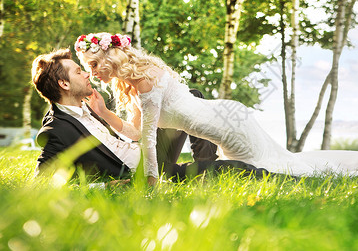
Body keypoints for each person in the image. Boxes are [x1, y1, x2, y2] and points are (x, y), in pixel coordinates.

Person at [75, 32, 358, 184]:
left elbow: (147, 139)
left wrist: (150, 181)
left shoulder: (145, 82)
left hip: (230, 124)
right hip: (226, 119)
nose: (91, 73)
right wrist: (105, 114)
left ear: (109, 57)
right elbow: (135, 131)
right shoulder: (135, 83)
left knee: (276, 170)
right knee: (277, 164)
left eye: (91, 64)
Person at [31, 48, 270, 185]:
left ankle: (205, 159)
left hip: (144, 151)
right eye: (79, 71)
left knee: (190, 97)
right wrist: (107, 187)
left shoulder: (92, 105)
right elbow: (42, 183)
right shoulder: (56, 131)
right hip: (144, 172)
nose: (87, 75)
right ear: (63, 83)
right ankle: (268, 175)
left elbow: (132, 134)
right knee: (235, 169)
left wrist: (104, 113)